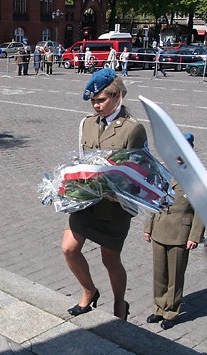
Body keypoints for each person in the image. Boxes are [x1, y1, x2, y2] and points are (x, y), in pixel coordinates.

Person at [61, 68, 147, 321]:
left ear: (117, 96)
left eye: (101, 100)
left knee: (110, 259)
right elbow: (81, 160)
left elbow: (141, 170)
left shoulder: (133, 129)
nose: (96, 106)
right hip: (86, 203)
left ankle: (120, 303)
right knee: (69, 249)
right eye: (93, 101)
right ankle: (89, 291)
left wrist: (118, 189)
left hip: (114, 208)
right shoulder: (86, 124)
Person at [143, 133, 204, 330]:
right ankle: (159, 308)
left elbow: (201, 210)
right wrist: (148, 226)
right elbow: (154, 200)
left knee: (175, 275)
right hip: (160, 227)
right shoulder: (163, 171)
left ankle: (171, 311)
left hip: (180, 233)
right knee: (159, 273)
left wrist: (194, 236)